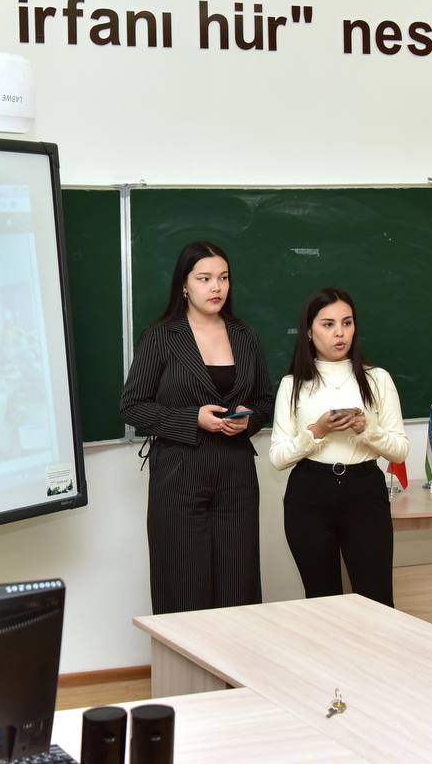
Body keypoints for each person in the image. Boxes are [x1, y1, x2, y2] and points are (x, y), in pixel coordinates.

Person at [120, 241, 275, 614]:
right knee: (183, 587)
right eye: (204, 279)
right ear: (185, 285)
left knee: (239, 588)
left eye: (223, 278)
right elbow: (132, 406)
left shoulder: (245, 335)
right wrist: (193, 419)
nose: (216, 287)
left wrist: (248, 418)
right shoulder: (161, 336)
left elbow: (267, 401)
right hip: (179, 475)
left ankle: (234, 656)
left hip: (236, 476)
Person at [269, 287, 409, 606]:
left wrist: (366, 428)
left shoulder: (377, 379)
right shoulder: (293, 384)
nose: (339, 333)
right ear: (309, 331)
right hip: (309, 494)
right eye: (328, 324)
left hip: (364, 492)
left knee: (376, 600)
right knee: (322, 602)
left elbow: (399, 450)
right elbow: (277, 457)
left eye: (347, 323)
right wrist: (316, 432)